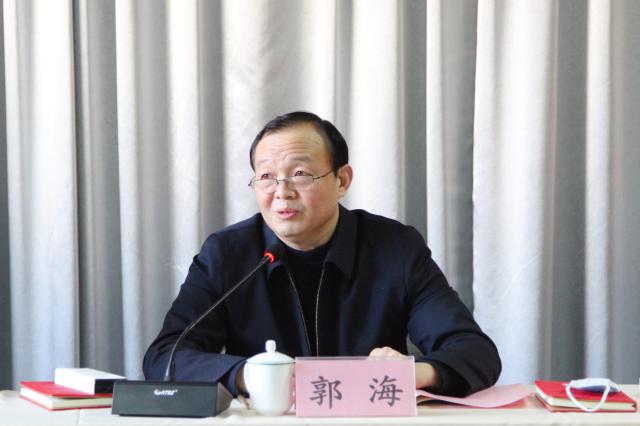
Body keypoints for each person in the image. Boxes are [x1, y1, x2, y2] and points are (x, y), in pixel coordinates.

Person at [143, 111, 501, 397]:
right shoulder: (228, 254)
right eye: (266, 176)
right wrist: (247, 375)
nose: (281, 192)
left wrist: (414, 372)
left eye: (299, 173)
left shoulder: (395, 248)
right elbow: (165, 357)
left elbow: (474, 352)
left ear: (341, 181)